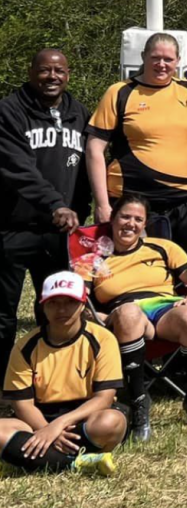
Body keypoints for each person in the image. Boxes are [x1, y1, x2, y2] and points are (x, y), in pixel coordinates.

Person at [88, 193, 187, 439]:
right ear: (112, 219)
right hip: (121, 312)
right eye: (125, 217)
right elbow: (79, 298)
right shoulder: (93, 256)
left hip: (164, 308)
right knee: (130, 313)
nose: (130, 224)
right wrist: (95, 316)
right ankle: (138, 402)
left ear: (144, 225)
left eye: (138, 219)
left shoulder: (163, 247)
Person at [0, 48, 90, 364]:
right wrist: (55, 203)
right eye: (44, 70)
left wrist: (87, 207)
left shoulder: (79, 113)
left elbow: (87, 168)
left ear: (68, 75)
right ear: (31, 72)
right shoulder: (9, 111)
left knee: (56, 308)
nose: (52, 77)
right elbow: (18, 168)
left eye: (59, 71)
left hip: (58, 231)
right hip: (12, 227)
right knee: (3, 314)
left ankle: (48, 376)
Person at [86, 32, 187, 253]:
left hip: (182, 201)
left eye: (168, 59)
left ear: (178, 61)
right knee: (131, 271)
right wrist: (103, 204)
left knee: (182, 272)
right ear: (143, 56)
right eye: (155, 58)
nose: (161, 64)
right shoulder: (120, 92)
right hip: (132, 201)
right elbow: (94, 149)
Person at [1, 271, 125, 477]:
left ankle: (24, 458)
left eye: (69, 302)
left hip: (85, 416)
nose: (61, 309)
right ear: (43, 306)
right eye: (53, 303)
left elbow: (104, 397)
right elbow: (22, 405)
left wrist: (58, 426)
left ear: (83, 304)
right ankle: (78, 462)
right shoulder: (25, 346)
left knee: (112, 421)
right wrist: (46, 429)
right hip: (37, 419)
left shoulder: (103, 338)